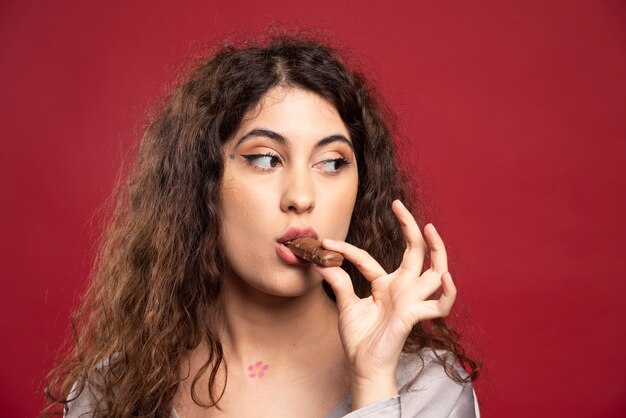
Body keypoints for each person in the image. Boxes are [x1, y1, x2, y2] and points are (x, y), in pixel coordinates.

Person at [44, 31, 480, 417]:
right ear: (203, 182)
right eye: (266, 158)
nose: (301, 197)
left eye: (332, 162)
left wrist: (373, 383)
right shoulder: (110, 391)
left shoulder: (428, 392)